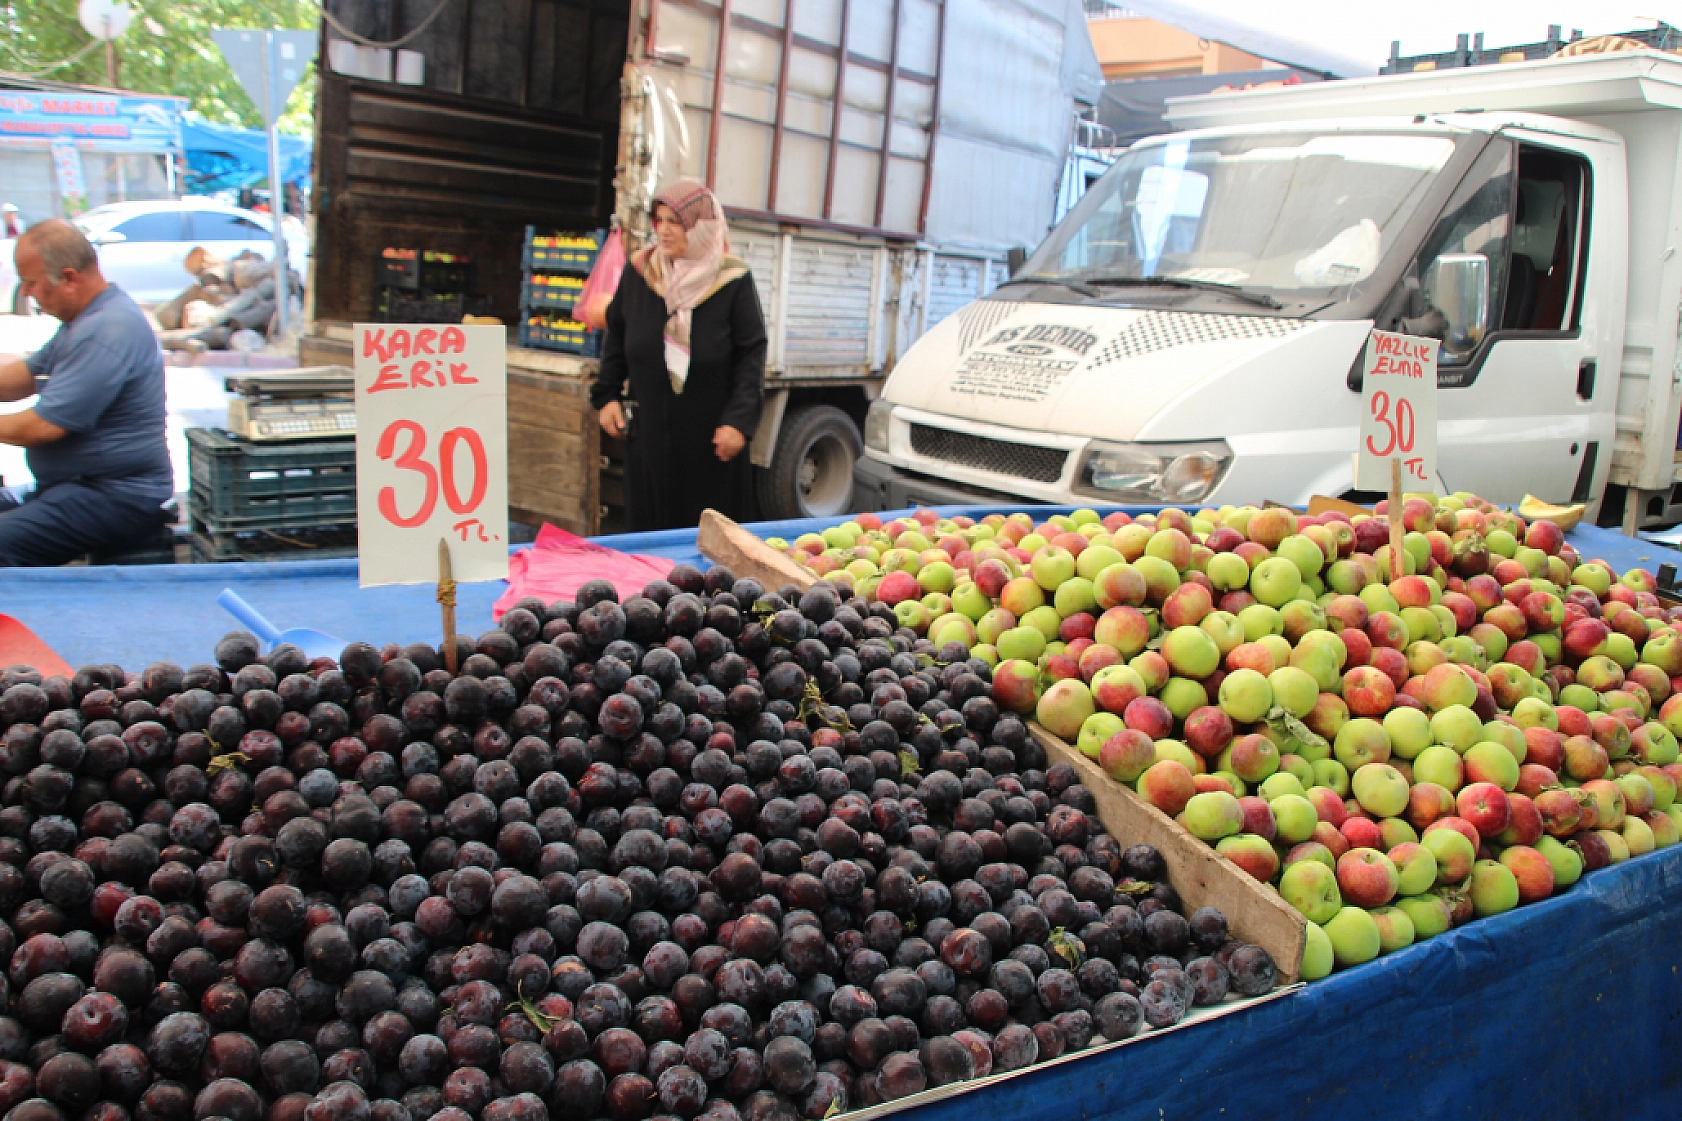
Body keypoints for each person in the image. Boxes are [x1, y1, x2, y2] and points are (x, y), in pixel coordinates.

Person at [591, 181, 766, 532]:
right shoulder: (641, 272)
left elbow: (751, 354)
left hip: (713, 442)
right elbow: (617, 335)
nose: (664, 230)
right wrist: (607, 396)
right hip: (651, 436)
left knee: (712, 546)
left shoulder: (731, 279)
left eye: (676, 222)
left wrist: (738, 423)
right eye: (660, 220)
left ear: (701, 228)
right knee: (651, 537)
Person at [0, 220, 172, 566]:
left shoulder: (106, 329)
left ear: (68, 278)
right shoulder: (82, 322)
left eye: (32, 284)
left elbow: (43, 427)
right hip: (75, 488)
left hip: (115, 497)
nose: (28, 294)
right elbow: (25, 376)